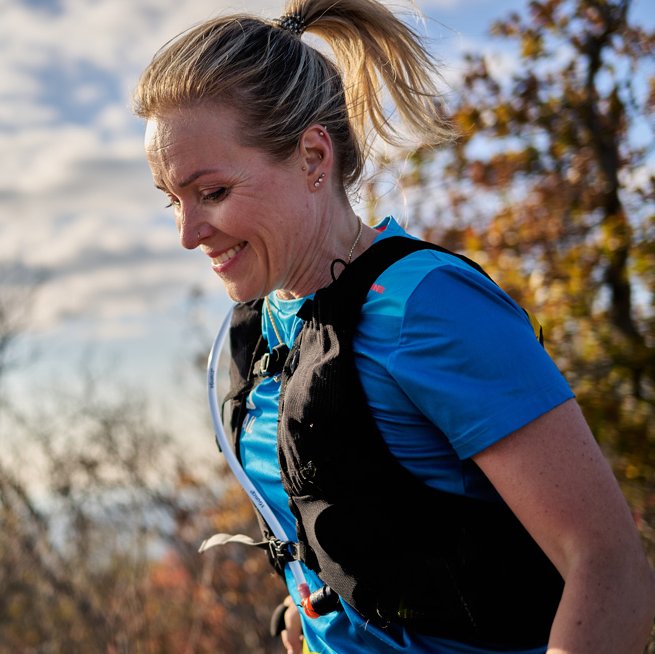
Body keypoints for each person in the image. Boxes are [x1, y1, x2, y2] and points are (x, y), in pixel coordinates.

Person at [132, 1, 655, 652]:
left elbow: (612, 573)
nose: (187, 234)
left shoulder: (429, 308)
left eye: (210, 193)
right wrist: (312, 611)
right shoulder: (258, 324)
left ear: (313, 156)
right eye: (172, 200)